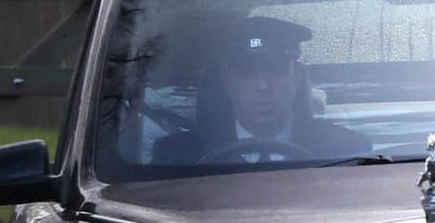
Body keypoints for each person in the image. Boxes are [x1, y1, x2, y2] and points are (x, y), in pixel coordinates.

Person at [152, 14, 369, 164]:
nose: (264, 85)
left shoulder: (347, 150)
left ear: (297, 77)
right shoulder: (178, 156)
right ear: (226, 81)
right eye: (247, 72)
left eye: (275, 70)